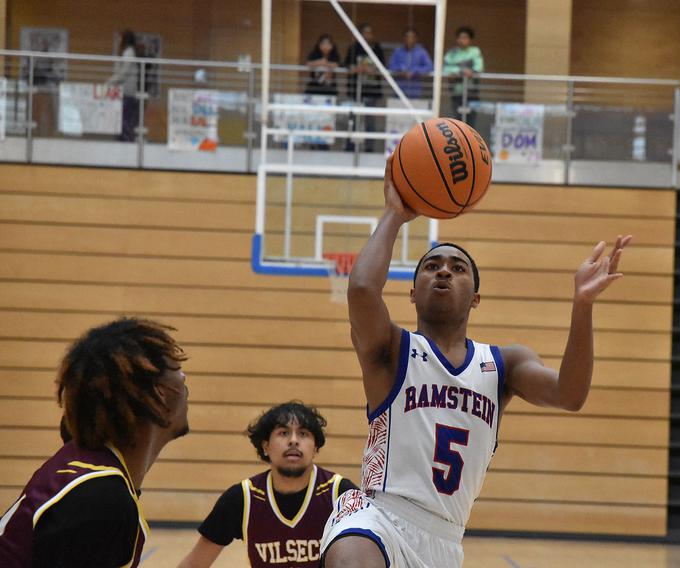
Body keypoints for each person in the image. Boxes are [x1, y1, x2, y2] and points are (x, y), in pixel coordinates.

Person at [320, 160, 632, 568]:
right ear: (413, 294)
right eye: (431, 267)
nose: (444, 271)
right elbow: (362, 289)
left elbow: (570, 395)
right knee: (352, 557)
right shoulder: (392, 349)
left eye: (458, 267)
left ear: (476, 297)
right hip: (378, 516)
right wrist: (396, 214)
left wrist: (583, 306)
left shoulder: (504, 364)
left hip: (445, 541)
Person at [0, 317, 189, 568]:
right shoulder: (101, 501)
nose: (184, 376)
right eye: (177, 371)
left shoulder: (89, 469)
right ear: (158, 393)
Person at [177, 401, 357, 568]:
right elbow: (194, 564)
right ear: (265, 446)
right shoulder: (242, 498)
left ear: (316, 447)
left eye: (303, 434)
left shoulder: (341, 494)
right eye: (283, 433)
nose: (293, 440)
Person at [345, 22, 386, 152]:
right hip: (356, 88)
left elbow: (382, 67)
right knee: (354, 117)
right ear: (360, 34)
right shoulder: (354, 48)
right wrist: (360, 68)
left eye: (370, 32)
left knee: (370, 118)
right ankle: (351, 145)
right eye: (365, 32)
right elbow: (347, 66)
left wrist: (372, 70)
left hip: (371, 89)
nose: (368, 35)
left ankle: (369, 147)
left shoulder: (377, 48)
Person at [443, 26, 484, 127]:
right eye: (460, 38)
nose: (462, 40)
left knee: (471, 121)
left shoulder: (475, 51)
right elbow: (446, 68)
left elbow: (479, 67)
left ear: (470, 40)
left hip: (472, 92)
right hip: (457, 92)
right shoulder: (452, 53)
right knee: (457, 121)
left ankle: (470, 142)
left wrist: (470, 71)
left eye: (465, 38)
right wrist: (462, 71)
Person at [107, 30, 141, 142]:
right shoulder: (128, 52)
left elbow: (124, 72)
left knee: (125, 121)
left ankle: (126, 141)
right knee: (124, 120)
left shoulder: (129, 52)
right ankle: (124, 140)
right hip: (126, 91)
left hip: (127, 92)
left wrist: (110, 82)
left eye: (120, 38)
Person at [389, 27, 434, 100]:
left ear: (416, 39)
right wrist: (400, 69)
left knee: (414, 109)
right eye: (407, 37)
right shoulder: (397, 51)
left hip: (415, 89)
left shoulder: (421, 52)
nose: (409, 39)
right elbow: (391, 65)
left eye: (412, 37)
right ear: (403, 38)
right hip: (399, 88)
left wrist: (415, 71)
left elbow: (429, 66)